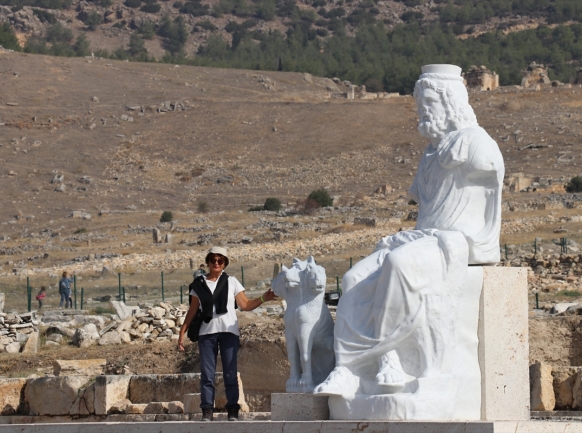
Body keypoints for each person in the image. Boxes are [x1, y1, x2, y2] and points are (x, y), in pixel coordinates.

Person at [313, 64, 504, 420]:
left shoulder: (473, 141)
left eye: (429, 102)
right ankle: (349, 367)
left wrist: (466, 137)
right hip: (423, 235)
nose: (422, 111)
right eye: (420, 104)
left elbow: (491, 164)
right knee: (354, 280)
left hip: (453, 241)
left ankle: (390, 358)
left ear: (450, 103)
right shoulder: (430, 154)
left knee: (400, 267)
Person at [178, 246, 277, 422]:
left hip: (229, 333)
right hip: (206, 334)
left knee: (230, 373)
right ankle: (207, 410)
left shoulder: (232, 282)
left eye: (220, 260)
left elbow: (245, 305)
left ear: (224, 263)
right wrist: (182, 333)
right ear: (208, 262)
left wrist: (263, 298)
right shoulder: (198, 285)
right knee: (207, 374)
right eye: (213, 260)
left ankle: (233, 410)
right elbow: (192, 311)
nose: (216, 263)